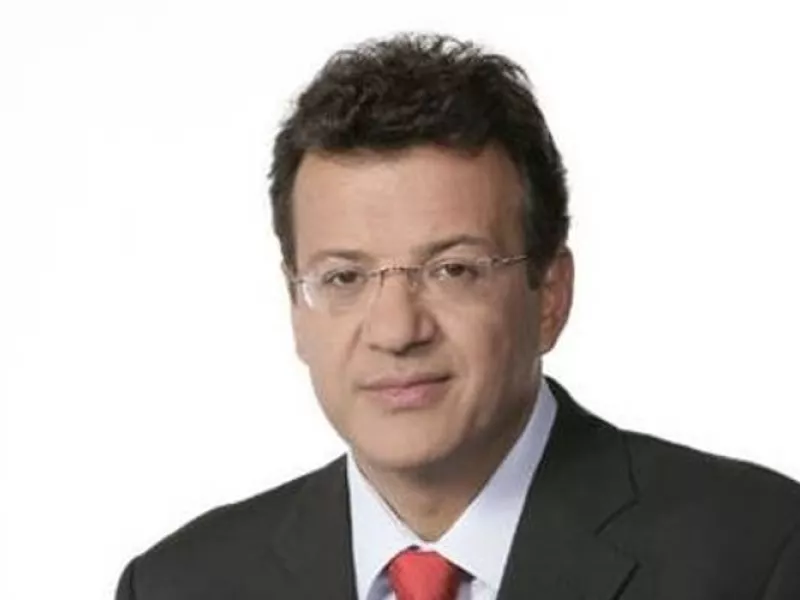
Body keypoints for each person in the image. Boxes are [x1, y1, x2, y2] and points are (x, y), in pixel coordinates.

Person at [115, 33, 800, 599]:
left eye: (453, 270)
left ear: (550, 294)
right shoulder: (179, 585)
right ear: (297, 306)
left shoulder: (758, 555)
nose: (397, 331)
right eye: (344, 277)